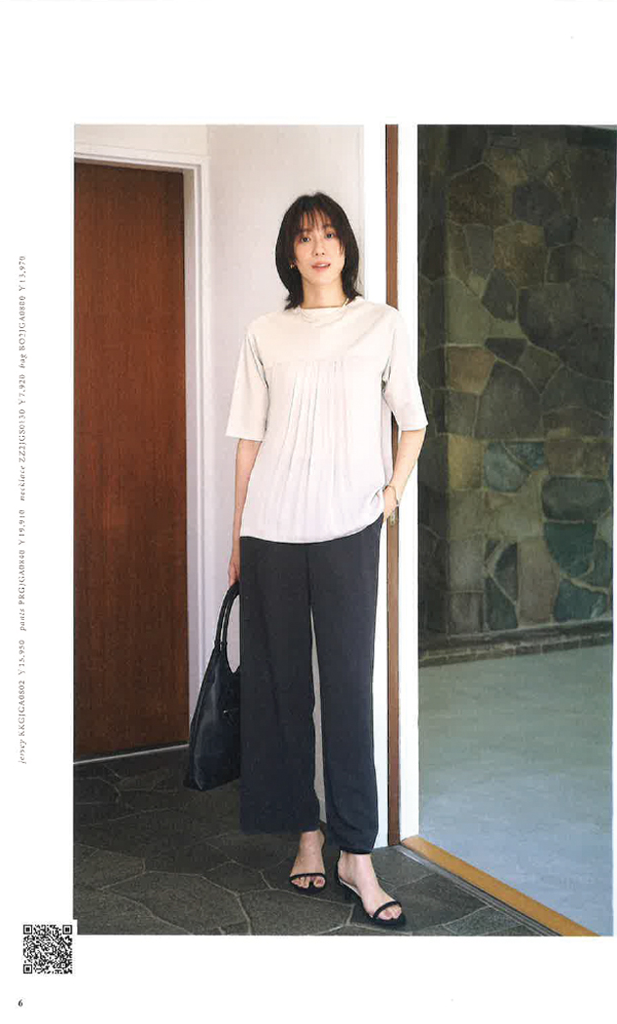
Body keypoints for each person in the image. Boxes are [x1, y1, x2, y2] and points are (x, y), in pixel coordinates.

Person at [225, 191, 427, 928]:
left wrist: (390, 494)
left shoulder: (381, 324)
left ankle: (355, 854)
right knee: (282, 691)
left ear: (345, 247)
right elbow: (249, 438)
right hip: (271, 529)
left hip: (349, 527)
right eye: (305, 236)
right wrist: (236, 537)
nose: (318, 247)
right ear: (290, 252)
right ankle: (305, 835)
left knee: (347, 689)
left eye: (330, 234)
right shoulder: (264, 332)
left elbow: (412, 420)